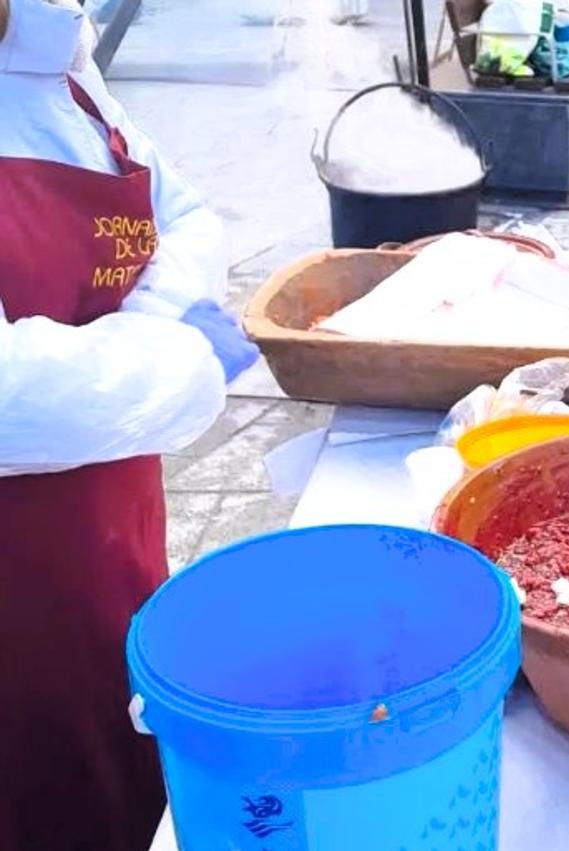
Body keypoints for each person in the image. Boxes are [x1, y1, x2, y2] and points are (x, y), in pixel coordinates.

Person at [0, 1, 258, 848]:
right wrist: (178, 364)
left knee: (122, 788)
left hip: (111, 557)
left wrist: (146, 331)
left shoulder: (56, 62)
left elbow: (184, 217)